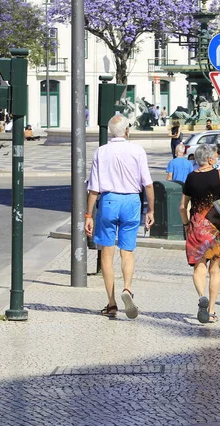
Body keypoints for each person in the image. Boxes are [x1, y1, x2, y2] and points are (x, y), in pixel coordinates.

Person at [84, 114, 155, 320]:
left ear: (109, 131)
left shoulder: (101, 152)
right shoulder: (137, 150)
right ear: (126, 131)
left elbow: (94, 188)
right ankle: (128, 288)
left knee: (107, 252)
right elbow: (147, 184)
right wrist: (150, 209)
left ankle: (112, 303)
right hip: (132, 201)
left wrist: (89, 215)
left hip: (108, 201)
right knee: (127, 251)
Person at [179, 144, 220, 324]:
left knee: (198, 267)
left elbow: (182, 207)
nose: (215, 159)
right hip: (218, 229)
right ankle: (212, 310)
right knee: (215, 270)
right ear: (209, 159)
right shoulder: (219, 174)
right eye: (214, 156)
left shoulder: (191, 178)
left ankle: (201, 296)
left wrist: (186, 224)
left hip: (197, 228)